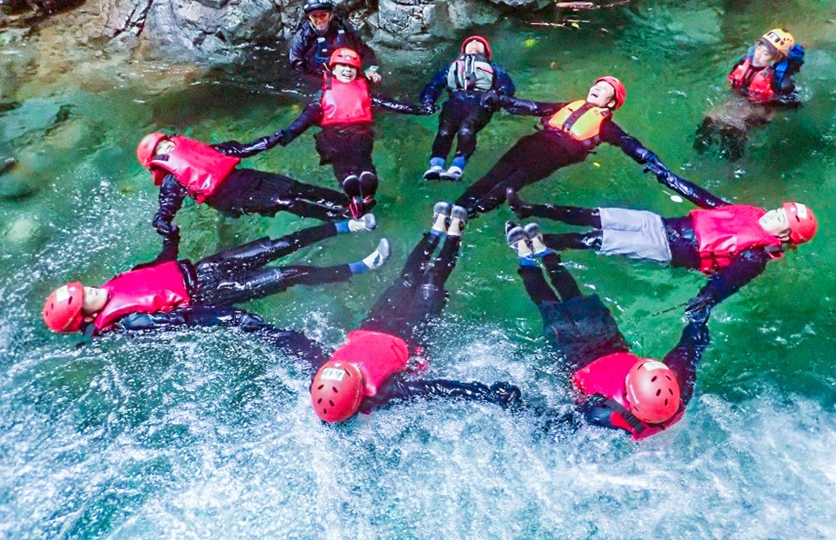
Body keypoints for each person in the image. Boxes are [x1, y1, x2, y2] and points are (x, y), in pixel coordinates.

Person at [310, 203, 521, 423]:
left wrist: (269, 331)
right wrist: (487, 394)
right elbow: (437, 389)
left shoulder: (320, 376)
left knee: (407, 279)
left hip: (374, 326)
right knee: (430, 282)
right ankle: (454, 236)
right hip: (410, 339)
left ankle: (435, 233)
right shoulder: (387, 392)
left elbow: (295, 344)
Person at [506, 224, 711, 440]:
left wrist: (512, 403)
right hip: (610, 344)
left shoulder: (607, 416)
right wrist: (699, 318)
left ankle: (526, 257)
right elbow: (689, 349)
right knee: (575, 297)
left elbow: (558, 425)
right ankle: (545, 253)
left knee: (549, 303)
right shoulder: (678, 389)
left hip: (577, 358)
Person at [42, 221, 390, 338]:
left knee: (279, 244)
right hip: (212, 291)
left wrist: (170, 240)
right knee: (290, 274)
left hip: (204, 269)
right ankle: (362, 266)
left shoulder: (110, 286)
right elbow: (185, 320)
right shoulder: (129, 321)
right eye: (81, 297)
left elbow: (156, 269)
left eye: (78, 288)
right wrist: (231, 319)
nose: (86, 290)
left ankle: (349, 225)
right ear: (86, 317)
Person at [507, 187, 817, 313]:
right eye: (781, 208)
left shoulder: (755, 256)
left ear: (787, 234)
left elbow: (729, 280)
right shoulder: (749, 213)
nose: (776, 211)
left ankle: (540, 242)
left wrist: (705, 300)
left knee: (596, 239)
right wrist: (670, 178)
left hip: (664, 247)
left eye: (783, 217)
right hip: (660, 223)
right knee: (595, 215)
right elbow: (706, 200)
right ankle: (528, 209)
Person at [454, 75, 710, 217]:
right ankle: (458, 207)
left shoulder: (605, 125)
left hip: (555, 154)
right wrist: (501, 100)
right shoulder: (568, 105)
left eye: (605, 88)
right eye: (596, 84)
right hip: (531, 143)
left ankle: (474, 212)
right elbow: (532, 106)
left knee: (513, 182)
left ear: (612, 104)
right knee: (493, 176)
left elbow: (628, 143)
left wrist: (651, 161)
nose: (597, 87)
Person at [136, 131, 350, 260]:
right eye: (161, 149)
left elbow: (240, 149)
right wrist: (162, 222)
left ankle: (349, 205)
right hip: (232, 198)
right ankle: (339, 219)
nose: (169, 147)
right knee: (286, 202)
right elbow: (167, 206)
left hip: (247, 178)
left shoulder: (202, 151)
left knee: (299, 189)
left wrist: (272, 139)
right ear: (157, 161)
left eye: (166, 142)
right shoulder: (173, 180)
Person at [270, 47, 431, 217]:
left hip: (332, 134)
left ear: (356, 71)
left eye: (351, 68)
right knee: (363, 159)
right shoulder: (365, 92)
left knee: (340, 161)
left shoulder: (323, 94)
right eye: (344, 67)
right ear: (333, 69)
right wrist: (417, 109)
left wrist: (287, 134)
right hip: (360, 132)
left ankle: (348, 182)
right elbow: (389, 103)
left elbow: (306, 118)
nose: (347, 70)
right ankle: (367, 182)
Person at [695, 27, 806, 160]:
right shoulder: (744, 63)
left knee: (732, 129)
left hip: (760, 108)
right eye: (759, 48)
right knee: (709, 119)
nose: (758, 55)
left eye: (765, 53)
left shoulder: (781, 82)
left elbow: (794, 103)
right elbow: (733, 84)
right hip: (741, 99)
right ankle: (698, 153)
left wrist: (769, 112)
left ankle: (734, 165)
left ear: (776, 59)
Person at [420, 35, 516, 181]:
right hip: (455, 101)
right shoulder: (452, 67)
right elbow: (434, 85)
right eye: (471, 41)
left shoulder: (494, 68)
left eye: (480, 42)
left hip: (480, 103)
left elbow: (507, 86)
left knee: (466, 130)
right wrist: (428, 100)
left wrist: (496, 96)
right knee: (445, 132)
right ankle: (436, 165)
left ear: (487, 53)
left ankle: (457, 167)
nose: (475, 42)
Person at [288, 0, 380, 84]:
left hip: (346, 73)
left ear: (330, 15)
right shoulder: (301, 37)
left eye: (323, 15)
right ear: (308, 17)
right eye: (314, 16)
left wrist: (371, 69)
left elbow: (364, 51)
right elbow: (297, 66)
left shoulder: (344, 29)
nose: (319, 20)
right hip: (317, 76)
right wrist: (325, 80)